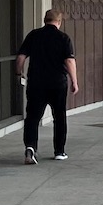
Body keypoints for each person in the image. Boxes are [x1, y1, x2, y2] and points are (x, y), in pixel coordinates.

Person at [17, 8, 79, 164]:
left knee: (32, 117)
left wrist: (19, 73)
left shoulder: (33, 35)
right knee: (59, 117)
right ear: (59, 22)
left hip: (36, 83)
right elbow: (69, 61)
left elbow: (21, 57)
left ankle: (30, 148)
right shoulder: (63, 38)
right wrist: (74, 81)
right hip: (57, 83)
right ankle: (59, 151)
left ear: (45, 20)